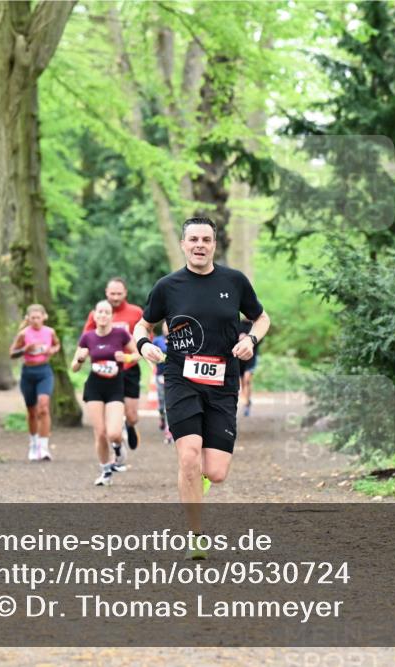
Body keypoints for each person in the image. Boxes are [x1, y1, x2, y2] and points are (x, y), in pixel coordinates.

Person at [135, 217, 270, 559]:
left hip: (224, 382)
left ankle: (195, 480)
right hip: (181, 378)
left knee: (216, 472)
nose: (199, 245)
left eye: (206, 239)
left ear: (214, 245)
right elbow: (144, 323)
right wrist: (143, 345)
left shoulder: (234, 281)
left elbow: (262, 317)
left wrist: (252, 339)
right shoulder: (168, 286)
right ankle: (195, 536)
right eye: (193, 239)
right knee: (189, 455)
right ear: (183, 244)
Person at [72, 300, 139, 487]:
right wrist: (80, 359)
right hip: (94, 387)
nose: (102, 315)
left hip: (115, 387)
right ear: (94, 315)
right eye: (99, 311)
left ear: (111, 316)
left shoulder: (120, 334)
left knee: (114, 433)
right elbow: (74, 367)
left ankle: (117, 448)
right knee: (100, 432)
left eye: (106, 312)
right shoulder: (88, 337)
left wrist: (125, 357)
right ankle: (105, 470)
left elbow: (136, 354)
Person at [83, 278, 143, 468]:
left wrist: (128, 357)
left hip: (129, 368)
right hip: (105, 371)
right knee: (109, 419)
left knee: (132, 415)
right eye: (112, 293)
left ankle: (130, 425)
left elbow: (143, 339)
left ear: (125, 293)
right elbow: (86, 339)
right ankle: (115, 437)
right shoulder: (99, 313)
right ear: (106, 293)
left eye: (119, 293)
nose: (115, 297)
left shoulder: (135, 312)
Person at [9, 304, 60, 461]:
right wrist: (25, 349)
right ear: (28, 319)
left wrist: (52, 350)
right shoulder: (23, 334)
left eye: (38, 317)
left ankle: (44, 448)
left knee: (43, 407)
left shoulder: (50, 332)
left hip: (44, 371)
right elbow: (12, 353)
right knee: (32, 411)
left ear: (44, 317)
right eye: (33, 318)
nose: (36, 321)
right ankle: (33, 444)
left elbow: (57, 344)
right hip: (28, 373)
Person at [152, 323, 174, 443]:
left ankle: (169, 432)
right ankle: (161, 418)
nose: (168, 328)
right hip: (160, 375)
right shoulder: (157, 340)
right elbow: (149, 357)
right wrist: (153, 368)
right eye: (166, 326)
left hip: (174, 377)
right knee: (162, 404)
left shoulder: (178, 340)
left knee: (169, 404)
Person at [237, 319, 260, 416]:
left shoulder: (255, 325)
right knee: (241, 383)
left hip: (251, 358)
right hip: (239, 358)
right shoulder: (238, 324)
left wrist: (247, 339)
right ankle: (246, 401)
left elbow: (259, 339)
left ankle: (247, 403)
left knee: (247, 380)